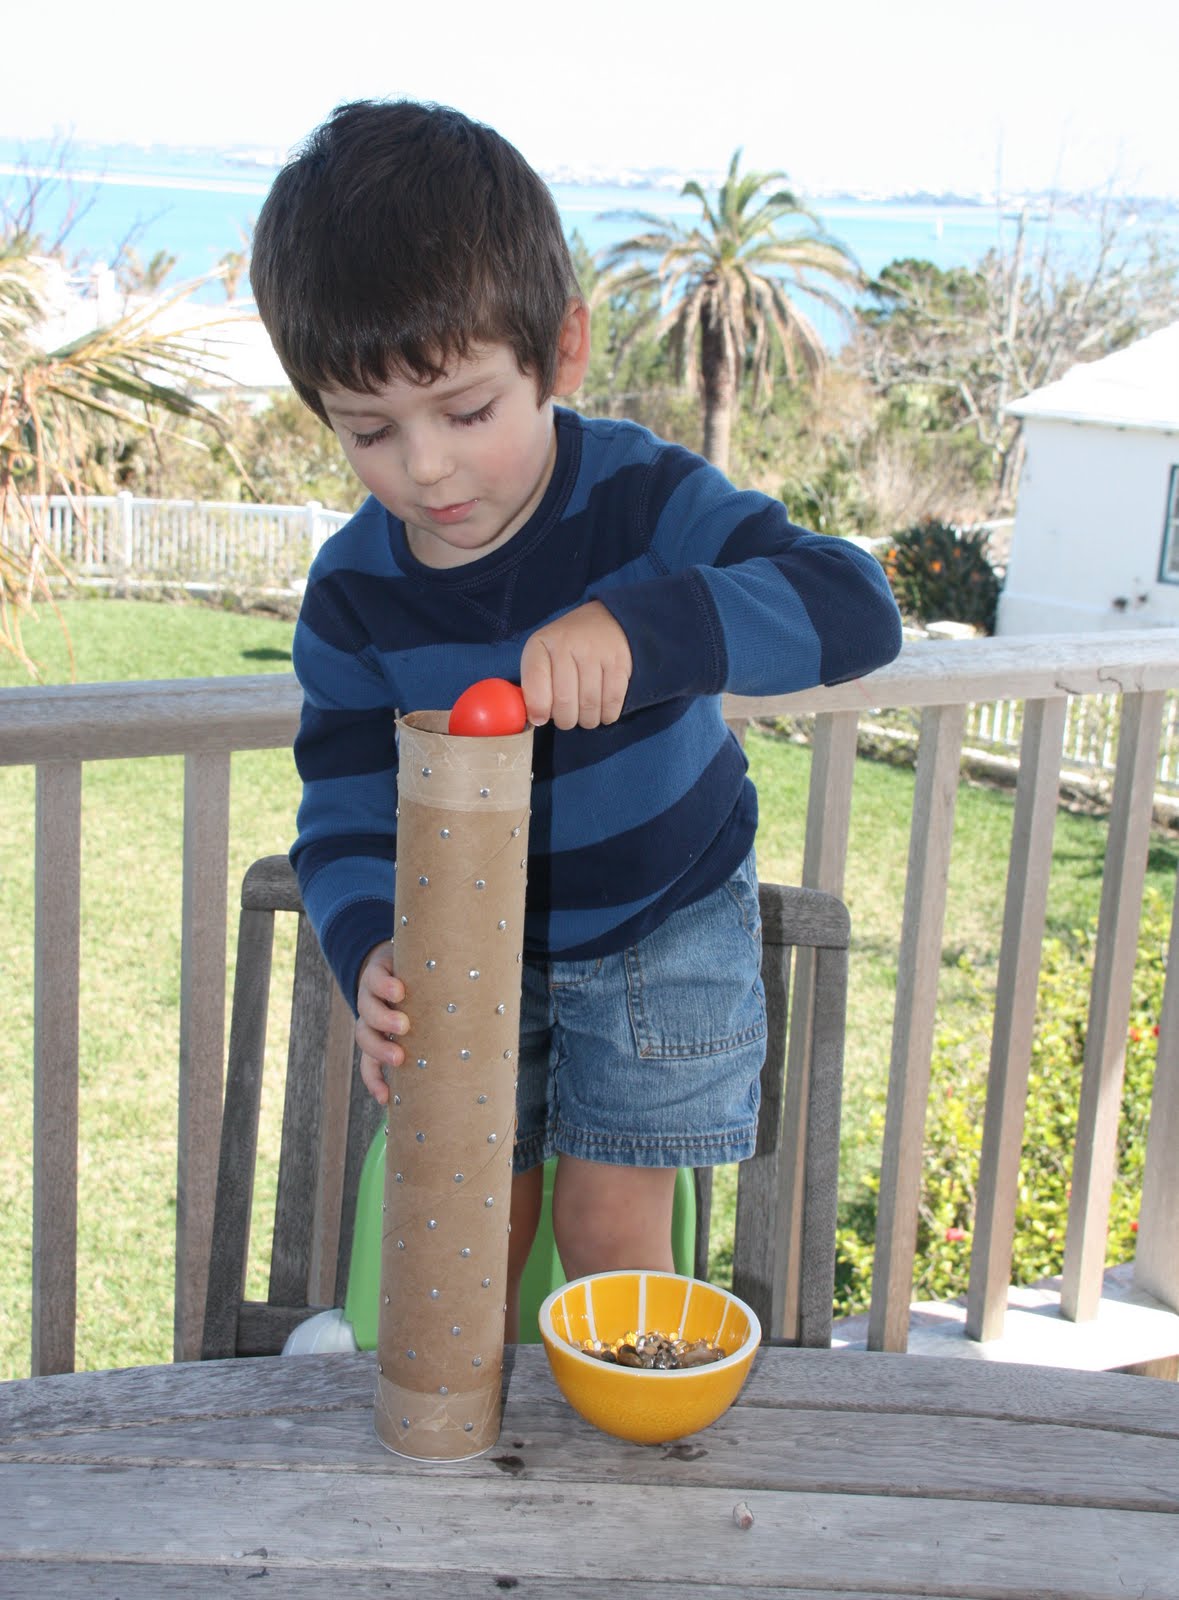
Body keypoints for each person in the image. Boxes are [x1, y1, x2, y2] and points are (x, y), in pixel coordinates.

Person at [250, 99, 902, 1337]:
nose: (426, 469)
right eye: (372, 432)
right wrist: (369, 942)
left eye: (467, 410)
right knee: (466, 1225)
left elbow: (854, 607)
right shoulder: (351, 598)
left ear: (563, 351)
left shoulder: (647, 500)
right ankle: (469, 1449)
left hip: (661, 930)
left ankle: (613, 1479)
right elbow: (338, 805)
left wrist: (651, 630)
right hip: (464, 939)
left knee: (610, 1232)